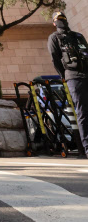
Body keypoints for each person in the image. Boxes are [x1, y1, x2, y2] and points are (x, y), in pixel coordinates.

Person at [48, 9, 88, 157]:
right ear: (54, 22)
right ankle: (87, 148)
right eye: (58, 19)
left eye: (63, 18)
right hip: (74, 77)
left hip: (86, 74)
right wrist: (64, 75)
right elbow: (55, 59)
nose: (61, 21)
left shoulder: (78, 36)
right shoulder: (54, 38)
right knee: (83, 112)